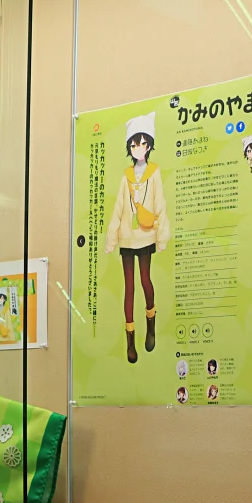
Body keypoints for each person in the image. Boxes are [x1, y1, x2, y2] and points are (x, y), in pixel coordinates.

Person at [105, 112, 170, 364]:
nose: (139, 148)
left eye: (143, 143)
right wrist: (111, 239)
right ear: (129, 147)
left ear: (149, 145)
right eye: (134, 144)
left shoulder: (154, 173)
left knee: (145, 280)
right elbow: (118, 207)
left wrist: (161, 237)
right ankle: (130, 340)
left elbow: (160, 203)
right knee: (129, 287)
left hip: (146, 235)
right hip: (127, 238)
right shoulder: (126, 176)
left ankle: (151, 324)